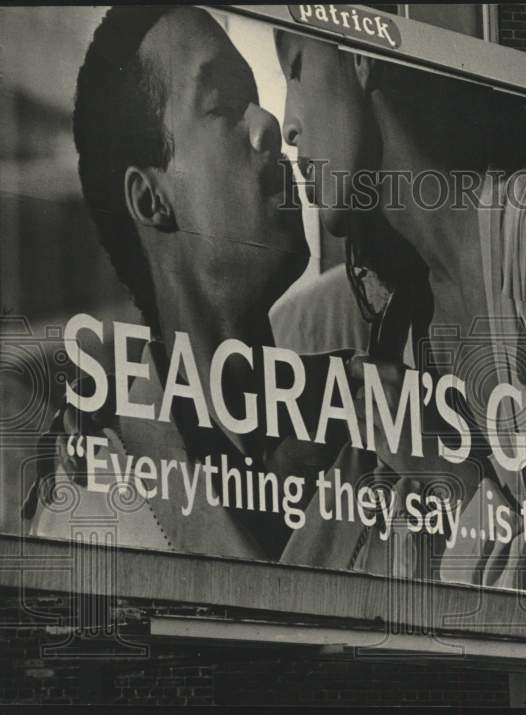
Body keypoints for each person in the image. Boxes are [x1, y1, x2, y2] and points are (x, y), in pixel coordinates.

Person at [274, 31, 526, 605]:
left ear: (359, 56)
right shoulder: (406, 325)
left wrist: (447, 474)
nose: (287, 125)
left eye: (296, 70)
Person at [22, 6, 345, 561]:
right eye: (222, 104)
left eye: (256, 97)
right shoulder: (91, 514)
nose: (267, 124)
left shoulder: (374, 419)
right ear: (151, 200)